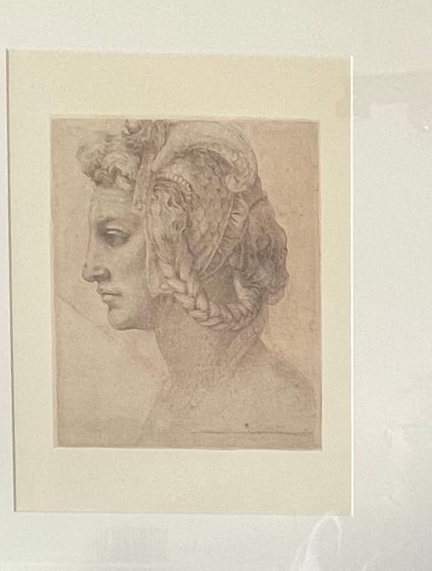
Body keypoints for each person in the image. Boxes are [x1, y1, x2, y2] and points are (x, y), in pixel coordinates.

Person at [77, 120, 316, 446]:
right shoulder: (180, 390)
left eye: (114, 237)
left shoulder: (275, 404)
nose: (89, 269)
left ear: (181, 241)